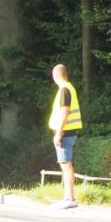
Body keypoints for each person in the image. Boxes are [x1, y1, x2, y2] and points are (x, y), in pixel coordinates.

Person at [48, 64, 83, 209]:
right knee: (66, 165)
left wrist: (59, 133)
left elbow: (64, 112)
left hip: (65, 133)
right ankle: (67, 198)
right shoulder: (70, 88)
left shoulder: (64, 90)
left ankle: (70, 198)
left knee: (66, 165)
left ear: (55, 76)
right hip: (68, 132)